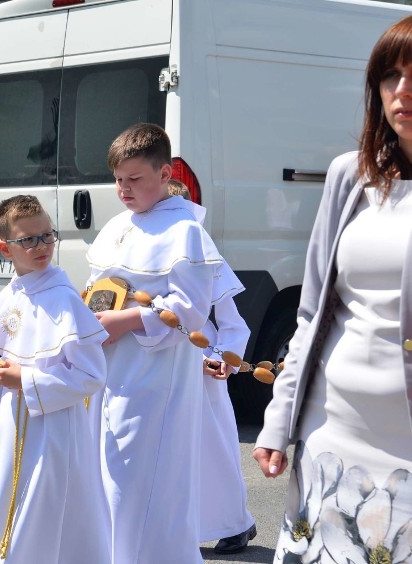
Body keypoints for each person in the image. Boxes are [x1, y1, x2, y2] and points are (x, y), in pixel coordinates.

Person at [253, 16, 412, 562]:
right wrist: (279, 420)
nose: (403, 91)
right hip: (332, 431)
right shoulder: (352, 176)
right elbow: (313, 312)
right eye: (390, 76)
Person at [86, 123, 223, 563]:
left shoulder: (185, 231)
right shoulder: (118, 226)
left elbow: (189, 308)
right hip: (110, 367)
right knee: (111, 478)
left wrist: (126, 321)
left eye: (135, 180)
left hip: (154, 375)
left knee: (142, 481)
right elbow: (97, 284)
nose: (124, 190)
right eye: (118, 181)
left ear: (165, 174)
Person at [0, 195, 110, 563]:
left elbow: (92, 375)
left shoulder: (64, 298)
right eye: (28, 239)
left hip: (53, 433)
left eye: (47, 236)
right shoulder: (8, 298)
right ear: (5, 248)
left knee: (44, 512)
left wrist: (25, 380)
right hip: (9, 427)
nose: (41, 246)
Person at [166, 179, 259, 554]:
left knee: (212, 449)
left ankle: (235, 522)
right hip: (159, 365)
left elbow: (234, 324)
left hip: (200, 366)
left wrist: (221, 359)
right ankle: (174, 524)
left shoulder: (207, 259)